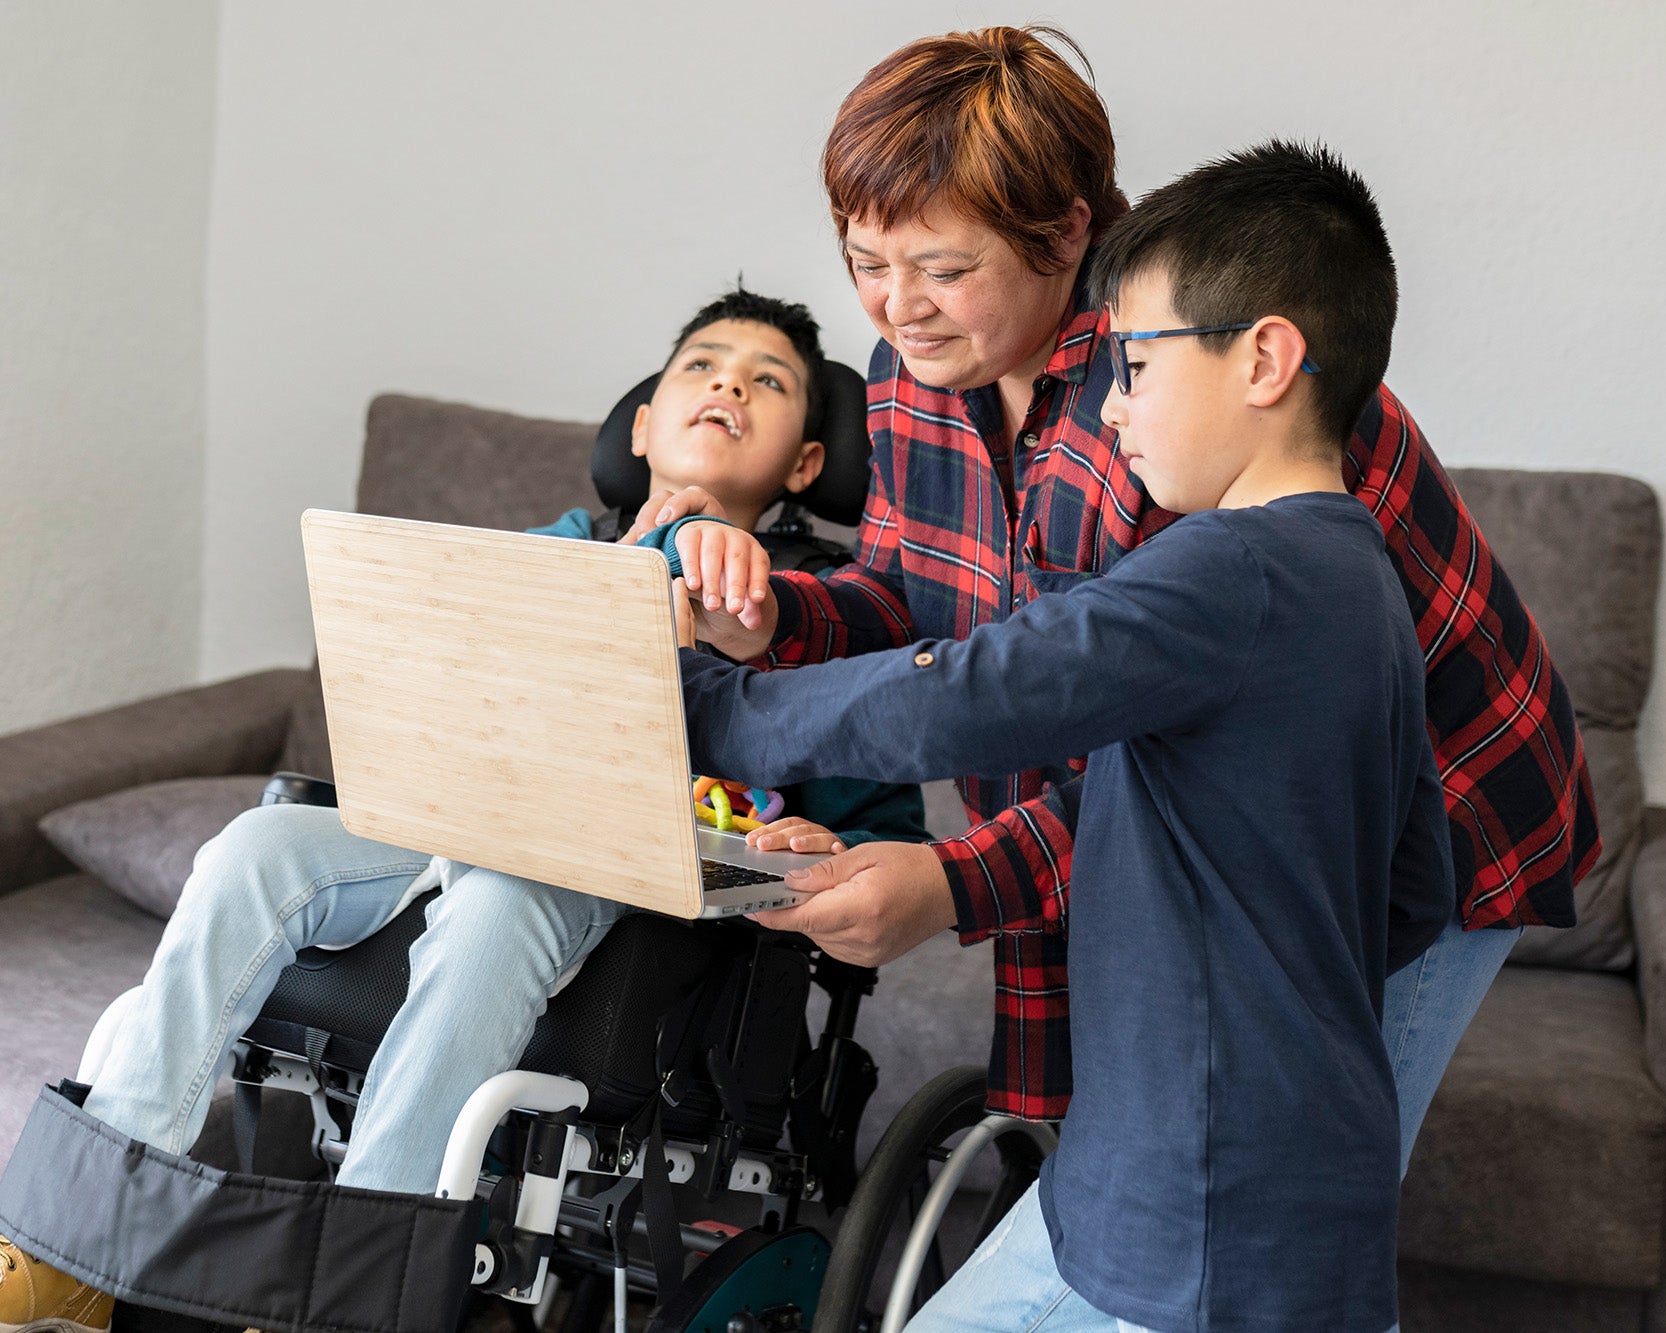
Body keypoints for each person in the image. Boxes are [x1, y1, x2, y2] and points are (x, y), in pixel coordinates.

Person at [0, 290, 926, 1333]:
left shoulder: (826, 609)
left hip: (637, 884)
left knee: (502, 896)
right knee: (256, 847)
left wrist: (814, 841)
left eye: (769, 380)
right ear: (642, 425)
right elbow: (429, 718)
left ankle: (348, 1304)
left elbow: (886, 835)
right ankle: (69, 1251)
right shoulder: (548, 549)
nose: (730, 382)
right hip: (455, 826)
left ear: (802, 463)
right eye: (701, 364)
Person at [674, 27, 1599, 1180]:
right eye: (866, 260)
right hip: (1176, 812)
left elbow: (1157, 749)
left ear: (1067, 230)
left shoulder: (1186, 395)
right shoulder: (917, 370)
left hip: (1411, 818)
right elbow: (915, 596)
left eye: (945, 269)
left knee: (1280, 1196)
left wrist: (954, 881)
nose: (897, 309)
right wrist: (771, 623)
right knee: (1137, 1211)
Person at [676, 141, 1454, 1332]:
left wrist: (710, 707)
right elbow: (1411, 880)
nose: (1117, 405)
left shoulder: (1219, 574)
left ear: (1264, 359)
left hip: (1198, 1199)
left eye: (1136, 368)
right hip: (1248, 1177)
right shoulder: (1352, 579)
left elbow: (974, 689)